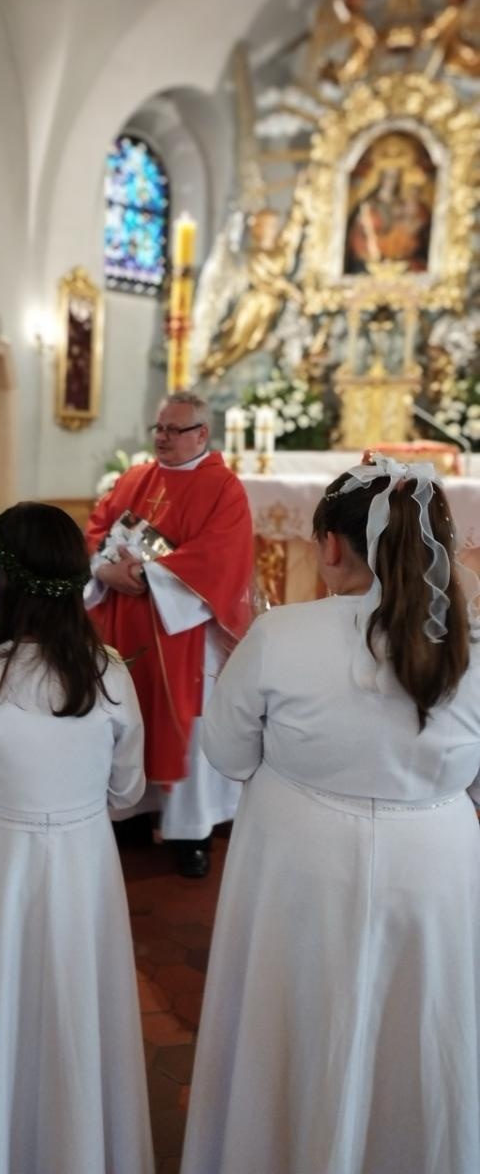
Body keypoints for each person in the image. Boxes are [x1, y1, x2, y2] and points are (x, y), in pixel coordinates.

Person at [181, 454, 480, 1174]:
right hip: (433, 867)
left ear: (335, 545)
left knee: (290, 1030)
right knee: (420, 1032)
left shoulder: (281, 636)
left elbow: (223, 752)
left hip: (297, 861)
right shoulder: (467, 648)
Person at [0, 503, 154, 1174]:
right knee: (81, 1001)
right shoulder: (109, 674)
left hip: (2, 860)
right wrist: (76, 812)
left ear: (7, 582)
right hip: (84, 859)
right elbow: (127, 791)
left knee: (3, 1000)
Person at [85, 391, 254, 877]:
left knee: (183, 719)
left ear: (201, 433)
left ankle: (190, 830)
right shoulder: (136, 478)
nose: (162, 437)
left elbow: (221, 556)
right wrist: (103, 567)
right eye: (158, 428)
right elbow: (99, 527)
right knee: (128, 710)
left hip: (182, 631)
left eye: (173, 430)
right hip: (125, 623)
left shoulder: (223, 487)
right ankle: (132, 813)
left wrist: (145, 578)